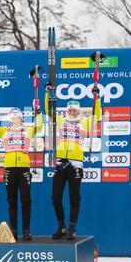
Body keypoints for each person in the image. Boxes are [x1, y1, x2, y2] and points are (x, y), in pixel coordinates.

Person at [46, 86, 102, 240]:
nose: (72, 113)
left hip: (76, 164)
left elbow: (97, 115)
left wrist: (96, 98)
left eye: (74, 111)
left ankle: (72, 227)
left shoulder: (84, 122)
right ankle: (61, 226)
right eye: (70, 110)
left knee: (74, 197)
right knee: (55, 197)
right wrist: (47, 93)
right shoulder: (60, 120)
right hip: (60, 164)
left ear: (79, 111)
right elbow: (49, 110)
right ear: (67, 111)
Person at [0, 100, 43, 241]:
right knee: (11, 200)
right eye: (12, 117)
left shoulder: (28, 130)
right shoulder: (3, 131)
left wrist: (37, 111)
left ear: (21, 118)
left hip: (24, 169)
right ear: (9, 119)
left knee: (26, 200)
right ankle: (14, 229)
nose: (15, 119)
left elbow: (39, 125)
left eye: (17, 117)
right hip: (9, 169)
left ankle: (26, 230)